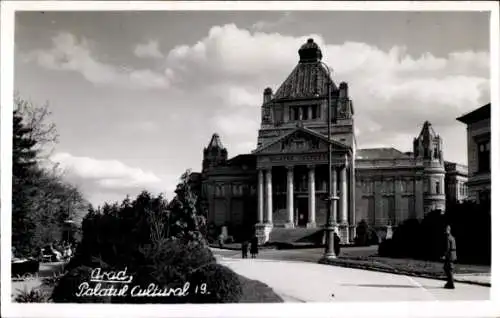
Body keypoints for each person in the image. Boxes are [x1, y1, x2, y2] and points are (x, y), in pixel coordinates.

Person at [442, 225, 457, 289]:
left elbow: (447, 248)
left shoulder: (448, 238)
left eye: (445, 230)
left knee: (449, 269)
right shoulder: (452, 237)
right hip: (453, 255)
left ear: (448, 230)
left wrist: (444, 256)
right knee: (447, 268)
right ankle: (449, 282)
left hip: (449, 256)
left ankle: (451, 284)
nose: (445, 231)